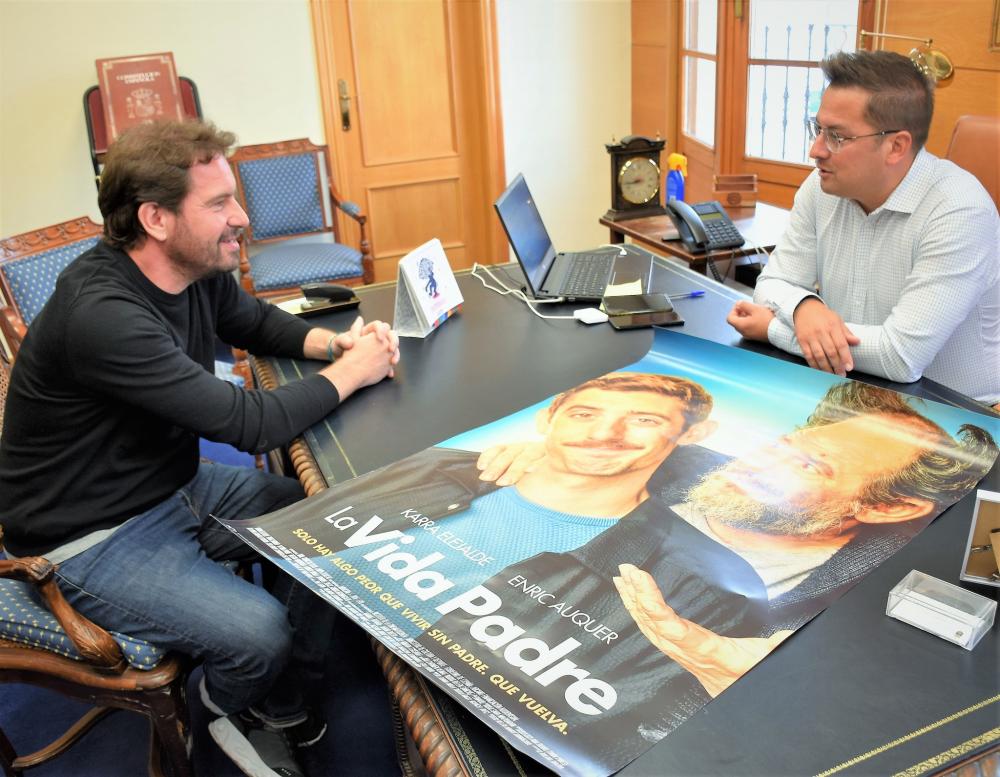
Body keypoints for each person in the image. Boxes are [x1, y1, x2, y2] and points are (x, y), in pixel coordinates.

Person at [0, 120, 400, 777]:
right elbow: (249, 424)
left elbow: (254, 322)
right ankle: (214, 706)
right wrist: (354, 372)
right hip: (90, 536)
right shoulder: (103, 315)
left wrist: (338, 346)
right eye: (219, 204)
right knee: (259, 633)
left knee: (326, 516)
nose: (241, 217)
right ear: (155, 218)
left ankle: (282, 700)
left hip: (168, 486)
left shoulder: (195, 265)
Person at [244, 372, 768, 769]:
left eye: (645, 420)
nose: (605, 433)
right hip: (332, 664)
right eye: (584, 414)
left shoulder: (693, 582)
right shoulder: (442, 468)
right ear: (548, 419)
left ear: (693, 435)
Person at [615, 381, 997, 698]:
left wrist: (753, 685)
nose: (760, 462)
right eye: (785, 444)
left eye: (809, 465)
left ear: (887, 508)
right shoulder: (652, 463)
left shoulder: (873, 597)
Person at [726, 50, 999, 407]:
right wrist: (805, 308)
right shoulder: (822, 186)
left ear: (896, 146)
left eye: (837, 137)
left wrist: (772, 329)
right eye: (818, 129)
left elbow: (899, 356)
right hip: (854, 390)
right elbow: (772, 284)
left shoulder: (960, 210)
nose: (815, 150)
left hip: (957, 416)